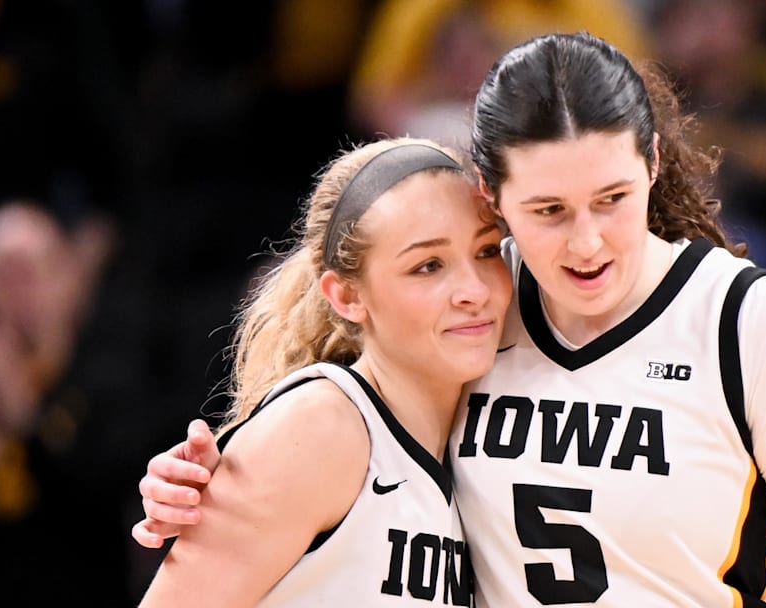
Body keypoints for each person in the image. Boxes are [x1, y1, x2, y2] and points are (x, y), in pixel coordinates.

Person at [133, 32, 766, 606]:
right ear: (493, 200)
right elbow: (344, 407)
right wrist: (206, 477)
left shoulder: (749, 327)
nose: (587, 241)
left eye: (611, 199)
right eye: (549, 211)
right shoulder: (479, 310)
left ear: (654, 164)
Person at [137, 137, 508, 606]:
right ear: (348, 296)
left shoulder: (469, 451)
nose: (473, 290)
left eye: (487, 251)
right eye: (428, 265)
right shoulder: (320, 428)